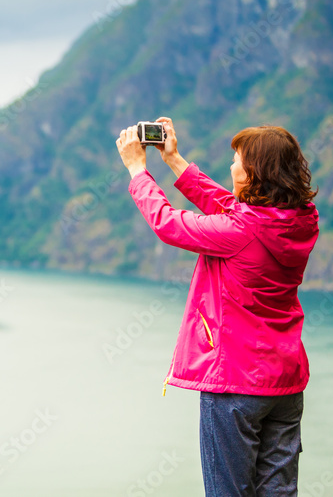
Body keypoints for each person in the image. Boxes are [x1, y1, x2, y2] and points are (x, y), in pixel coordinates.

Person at [115, 117, 319, 497]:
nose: (231, 167)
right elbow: (233, 209)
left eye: (237, 160)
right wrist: (175, 161)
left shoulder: (240, 232)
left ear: (254, 173)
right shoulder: (301, 222)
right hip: (285, 381)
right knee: (279, 492)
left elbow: (167, 223)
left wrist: (137, 170)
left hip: (234, 384)